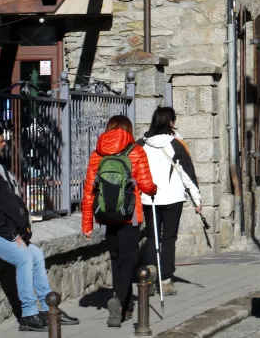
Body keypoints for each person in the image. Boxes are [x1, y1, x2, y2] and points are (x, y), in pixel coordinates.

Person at [0, 124, 79, 331]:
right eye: (1, 141)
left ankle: (49, 308)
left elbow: (2, 203)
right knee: (23, 256)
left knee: (36, 254)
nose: (4, 144)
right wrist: (10, 234)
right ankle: (28, 314)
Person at [82, 115, 157, 327]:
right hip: (129, 214)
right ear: (128, 130)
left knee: (116, 258)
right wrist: (154, 189)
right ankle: (119, 300)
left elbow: (89, 191)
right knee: (129, 258)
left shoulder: (98, 153)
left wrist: (87, 225)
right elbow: (145, 184)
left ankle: (122, 302)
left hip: (106, 214)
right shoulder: (136, 151)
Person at [138, 106, 202, 296]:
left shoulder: (142, 144)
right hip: (173, 198)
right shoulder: (176, 144)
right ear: (171, 123)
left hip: (149, 197)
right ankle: (165, 280)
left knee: (152, 236)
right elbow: (187, 174)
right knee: (169, 239)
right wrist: (197, 200)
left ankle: (147, 276)